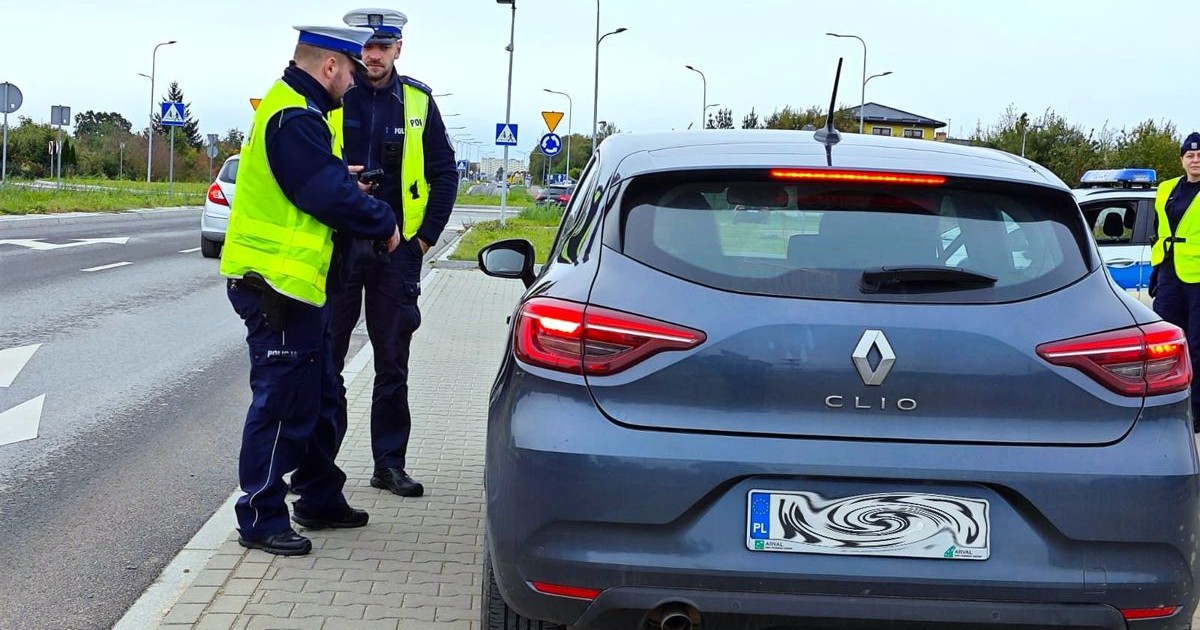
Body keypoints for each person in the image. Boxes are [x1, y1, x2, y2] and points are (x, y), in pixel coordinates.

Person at [219, 24, 402, 556]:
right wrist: (381, 219)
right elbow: (320, 192)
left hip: (300, 288)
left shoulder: (299, 111)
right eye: (349, 70)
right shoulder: (295, 115)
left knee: (322, 397)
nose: (354, 79)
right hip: (275, 286)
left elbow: (310, 181)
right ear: (329, 67)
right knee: (282, 405)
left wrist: (340, 179)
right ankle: (259, 516)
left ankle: (319, 497)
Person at [328, 8, 459, 497]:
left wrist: (424, 239)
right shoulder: (336, 95)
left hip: (397, 253)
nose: (373, 55)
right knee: (327, 360)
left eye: (383, 46)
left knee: (392, 364)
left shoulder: (419, 101)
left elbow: (445, 173)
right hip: (341, 247)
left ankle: (389, 464)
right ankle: (319, 469)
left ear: (398, 48)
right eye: (366, 46)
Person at [1149, 131, 1200, 431]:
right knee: (1167, 345)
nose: (1196, 160)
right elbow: (1159, 231)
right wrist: (1157, 272)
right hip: (1169, 275)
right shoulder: (1166, 189)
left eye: (1199, 155)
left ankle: (1194, 410)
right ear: (1181, 159)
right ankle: (1166, 405)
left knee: (1196, 345)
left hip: (1197, 279)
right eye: (1190, 155)